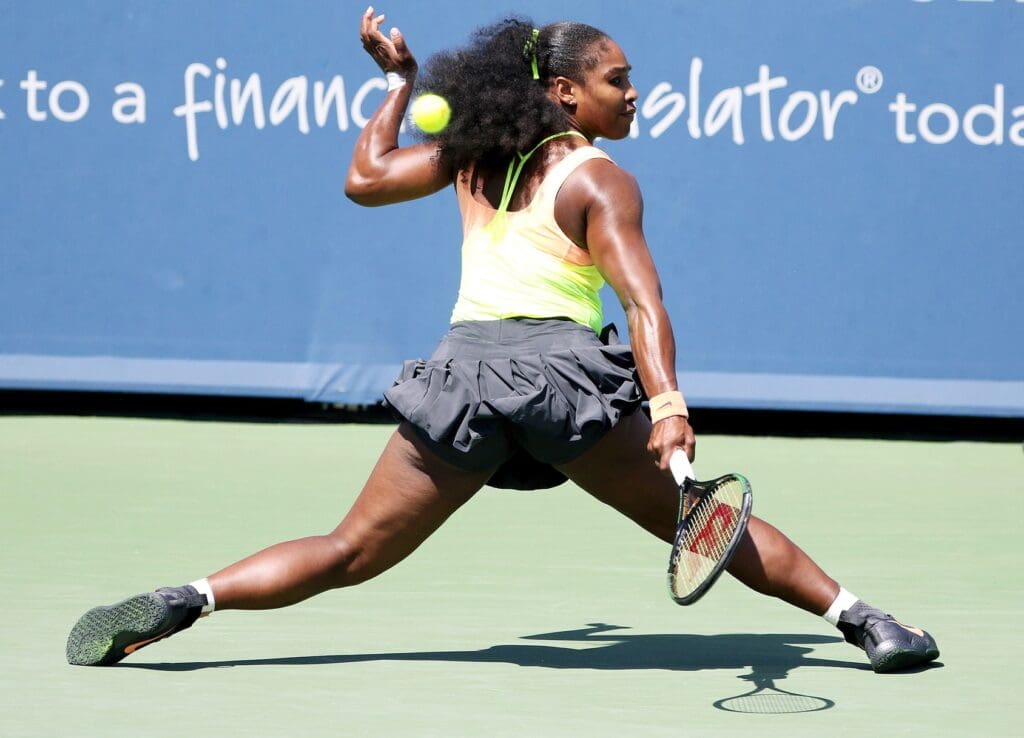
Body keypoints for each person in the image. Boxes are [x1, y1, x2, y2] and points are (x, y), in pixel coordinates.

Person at [66, 7, 938, 674]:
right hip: (562, 386)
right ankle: (867, 621)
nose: (634, 93)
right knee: (698, 521)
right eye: (618, 80)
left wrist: (399, 84)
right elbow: (644, 300)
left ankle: (188, 598)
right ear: (565, 93)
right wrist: (667, 403)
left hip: (463, 383)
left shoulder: (473, 159)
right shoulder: (601, 178)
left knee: (347, 551)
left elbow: (363, 179)